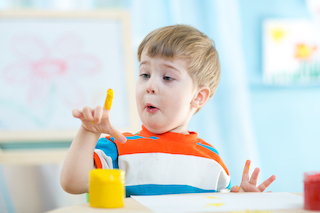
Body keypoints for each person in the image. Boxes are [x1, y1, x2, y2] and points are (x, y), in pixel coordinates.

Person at [60, 25, 276, 196]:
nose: (150, 85)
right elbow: (73, 183)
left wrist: (242, 199)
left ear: (198, 97)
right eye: (145, 74)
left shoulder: (211, 160)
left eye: (167, 77)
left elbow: (219, 205)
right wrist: (88, 132)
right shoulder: (118, 147)